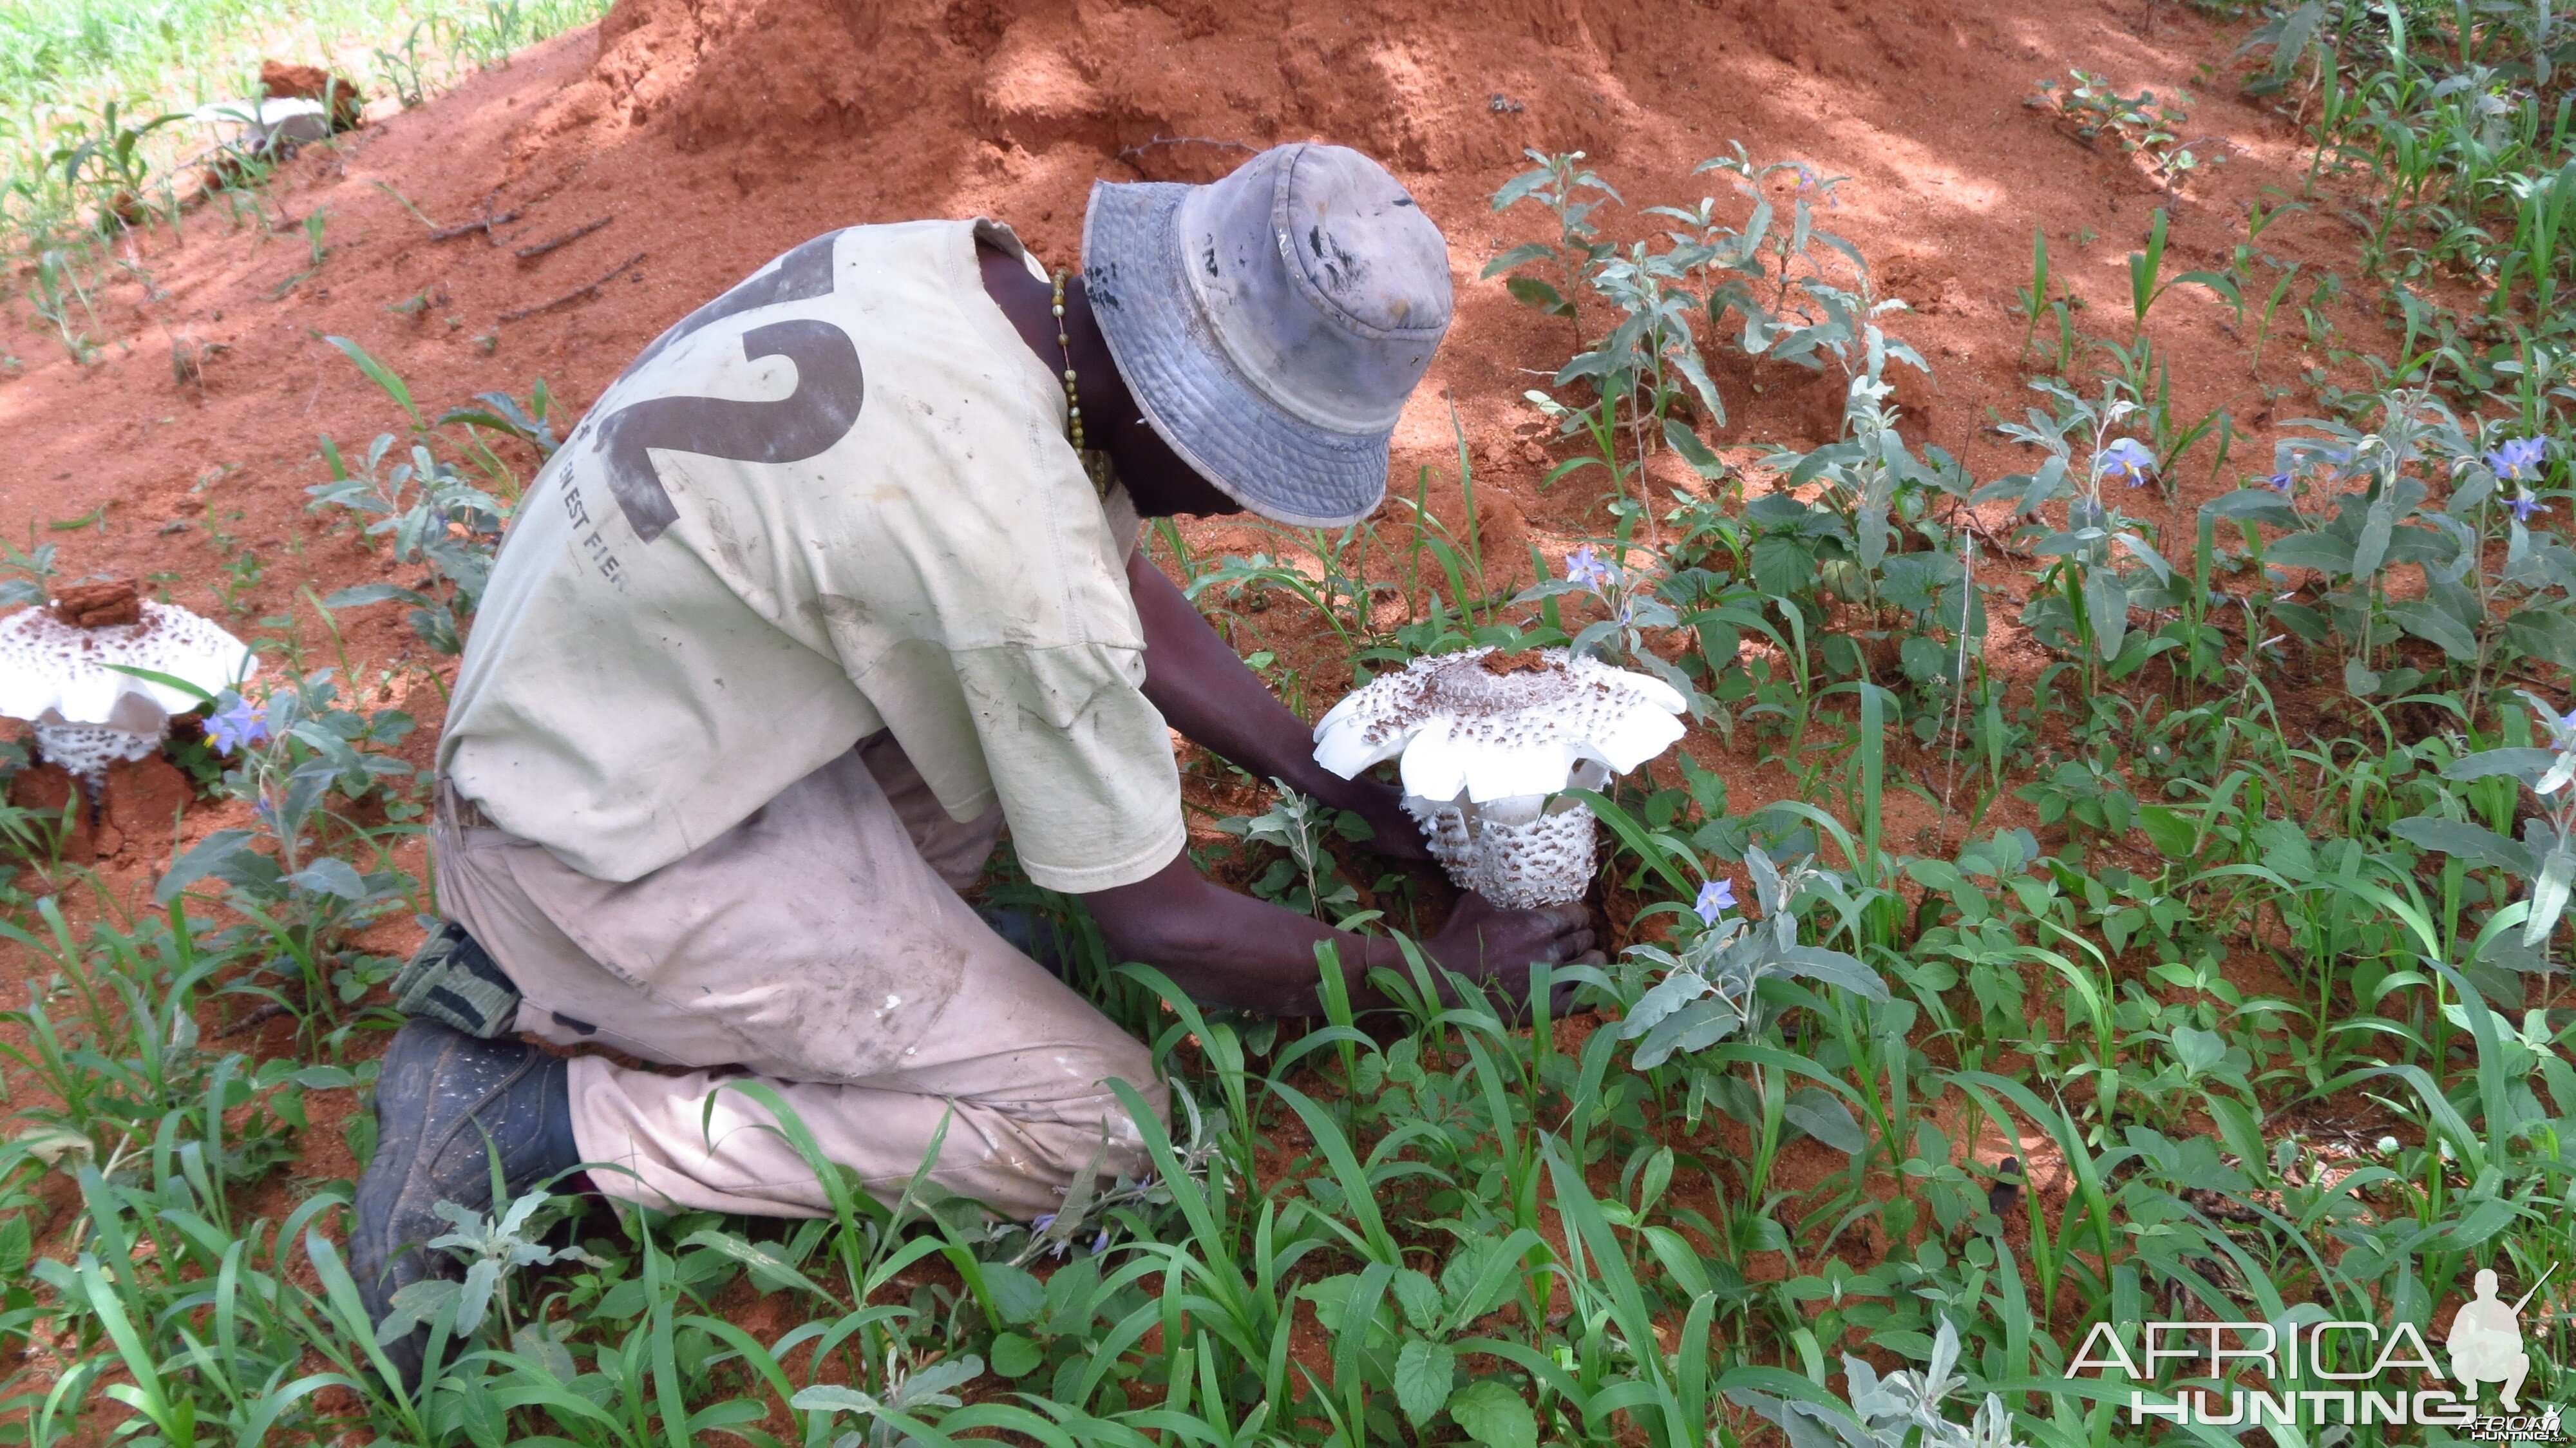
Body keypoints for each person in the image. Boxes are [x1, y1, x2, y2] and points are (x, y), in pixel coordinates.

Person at [350, 142, 1600, 1367]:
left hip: (629, 739)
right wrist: (1435, 974)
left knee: (1025, 754)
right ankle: (558, 1121)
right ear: (1173, 400)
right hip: (594, 870)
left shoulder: (957, 285)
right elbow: (1161, 927)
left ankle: (840, 984)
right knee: (1106, 1126)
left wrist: (1323, 774)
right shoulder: (1016, 553)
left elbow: (1100, 583)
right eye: (1241, 466)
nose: (1231, 504)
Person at [2447, 1268, 2532, 1411]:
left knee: (2523, 1360)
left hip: (2498, 1362)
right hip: (2471, 1364)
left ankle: (2509, 1397)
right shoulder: (2468, 1311)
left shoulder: (2504, 1312)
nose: (2486, 1290)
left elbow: (2519, 1344)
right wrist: (2475, 1339)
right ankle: (2470, 1389)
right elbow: (2452, 1347)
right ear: (2476, 1288)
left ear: (2496, 1288)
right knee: (2463, 1359)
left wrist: (2501, 1340)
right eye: (2482, 1285)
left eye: (2490, 1285)